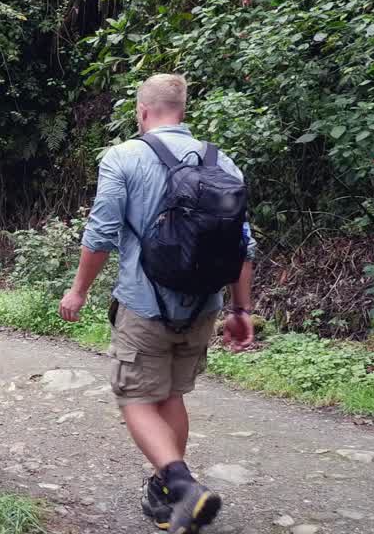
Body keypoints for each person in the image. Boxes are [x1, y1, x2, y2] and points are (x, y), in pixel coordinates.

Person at [58, 74, 256, 533]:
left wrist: (79, 290)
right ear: (181, 111)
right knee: (171, 394)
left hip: (144, 306)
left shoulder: (124, 157)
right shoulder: (222, 161)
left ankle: (183, 484)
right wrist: (240, 311)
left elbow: (102, 234)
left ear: (141, 111)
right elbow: (244, 245)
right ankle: (166, 494)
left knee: (134, 397)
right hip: (204, 305)